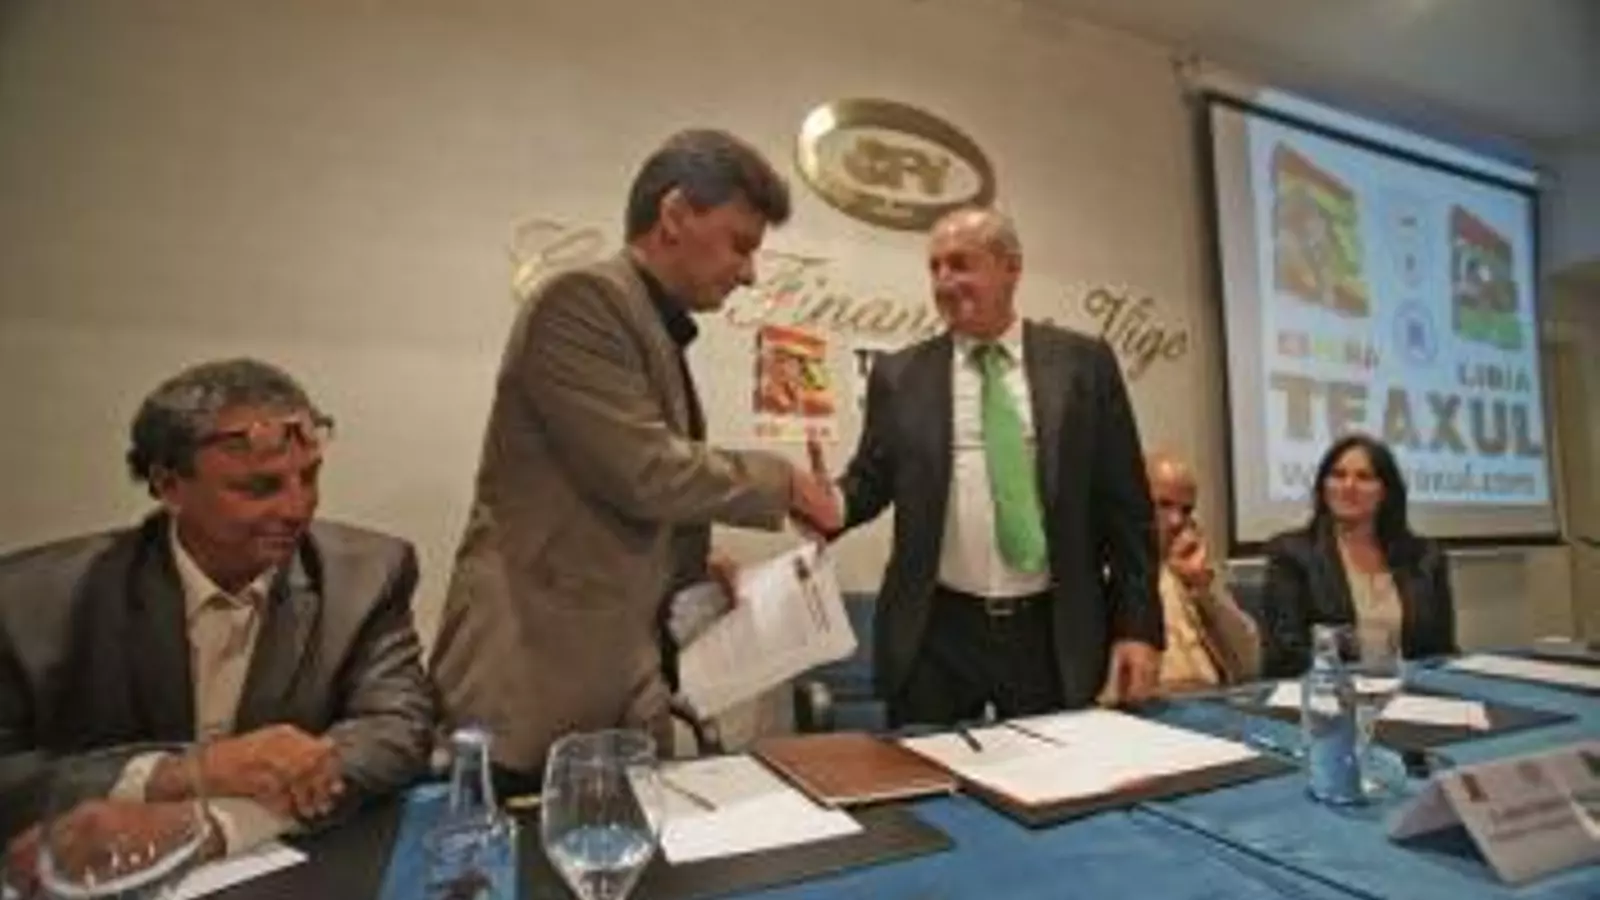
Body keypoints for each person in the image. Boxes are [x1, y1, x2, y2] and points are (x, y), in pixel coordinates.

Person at [429, 129, 840, 787]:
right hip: (533, 684)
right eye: (740, 244)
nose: (750, 273)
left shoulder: (644, 322)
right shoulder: (582, 302)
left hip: (614, 681)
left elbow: (604, 497)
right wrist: (785, 482)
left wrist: (698, 565)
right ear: (674, 214)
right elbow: (645, 470)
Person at [0, 359, 436, 889]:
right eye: (259, 487)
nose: (297, 507)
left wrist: (204, 826)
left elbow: (397, 732)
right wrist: (180, 774)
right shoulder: (31, 601)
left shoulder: (367, 575)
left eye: (309, 477)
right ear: (168, 485)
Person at [831, 206, 1161, 727]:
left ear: (1011, 267)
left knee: (1059, 770)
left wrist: (1137, 628)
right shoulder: (899, 376)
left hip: (1051, 631)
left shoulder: (1084, 366)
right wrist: (826, 502)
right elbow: (870, 482)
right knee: (924, 774)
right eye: (935, 267)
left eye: (960, 264)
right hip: (936, 632)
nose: (944, 281)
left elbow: (1127, 508)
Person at [1260, 433, 1457, 677]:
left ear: (1385, 491)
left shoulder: (1425, 558)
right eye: (1338, 475)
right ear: (1324, 487)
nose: (1348, 486)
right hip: (1330, 692)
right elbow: (1287, 653)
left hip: (1413, 691)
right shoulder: (1292, 555)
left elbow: (1441, 651)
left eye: (1364, 477)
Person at [1144, 452, 1261, 692]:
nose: (1176, 521)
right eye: (1163, 505)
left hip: (1212, 701)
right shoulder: (1110, 571)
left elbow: (1250, 663)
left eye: (1186, 510)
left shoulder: (1195, 569)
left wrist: (1203, 589)